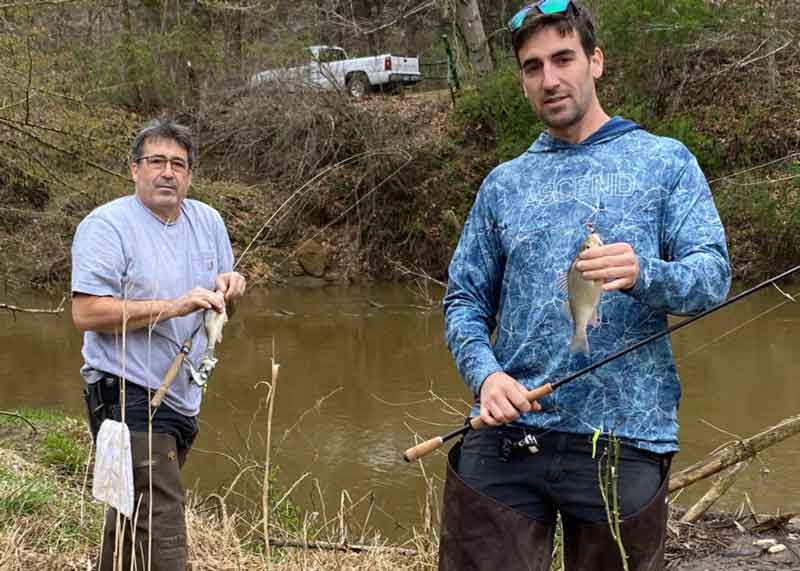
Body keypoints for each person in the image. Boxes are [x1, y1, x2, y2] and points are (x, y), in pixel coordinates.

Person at [439, 1, 731, 570]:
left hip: (628, 439)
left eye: (563, 58)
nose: (550, 79)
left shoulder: (665, 161)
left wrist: (647, 273)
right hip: (509, 433)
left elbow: (712, 278)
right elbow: (464, 299)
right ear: (522, 79)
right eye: (532, 67)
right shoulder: (504, 184)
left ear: (595, 61)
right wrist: (486, 374)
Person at [71, 119, 246, 571]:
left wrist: (230, 291)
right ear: (134, 169)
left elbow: (222, 312)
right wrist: (173, 305)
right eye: (156, 162)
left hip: (183, 397)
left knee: (133, 515)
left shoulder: (208, 221)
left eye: (178, 164)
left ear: (189, 174)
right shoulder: (106, 225)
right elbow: (86, 314)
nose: (167, 172)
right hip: (124, 393)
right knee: (163, 528)